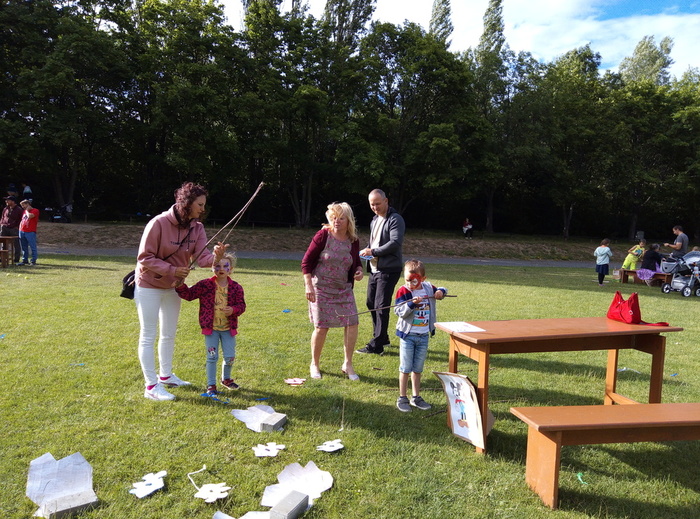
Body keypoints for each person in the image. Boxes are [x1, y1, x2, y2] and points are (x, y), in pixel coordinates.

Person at [134, 181, 226, 401]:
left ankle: (165, 376)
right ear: (187, 203)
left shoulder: (197, 227)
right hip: (148, 285)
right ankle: (151, 387)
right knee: (148, 335)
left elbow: (202, 259)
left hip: (174, 287)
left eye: (204, 205)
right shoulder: (158, 223)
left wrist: (217, 257)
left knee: (169, 333)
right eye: (199, 204)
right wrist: (173, 270)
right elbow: (144, 257)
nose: (203, 209)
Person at [302, 202, 364, 380]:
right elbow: (306, 262)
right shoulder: (323, 235)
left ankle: (348, 364)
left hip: (344, 290)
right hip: (321, 289)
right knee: (322, 327)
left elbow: (356, 262)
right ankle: (314, 364)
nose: (336, 221)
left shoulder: (353, 240)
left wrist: (359, 271)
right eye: (334, 217)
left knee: (352, 324)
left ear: (348, 220)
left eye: (341, 218)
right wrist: (308, 285)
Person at [176, 252, 246, 395]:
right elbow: (189, 295)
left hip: (228, 330)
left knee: (230, 357)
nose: (221, 269)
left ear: (231, 269)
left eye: (225, 266)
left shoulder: (236, 287)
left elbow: (242, 306)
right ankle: (211, 385)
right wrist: (180, 285)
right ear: (212, 267)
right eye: (217, 266)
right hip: (211, 330)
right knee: (212, 357)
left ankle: (226, 379)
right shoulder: (205, 285)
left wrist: (233, 310)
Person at [393, 259, 447, 412]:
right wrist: (411, 304)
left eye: (414, 281)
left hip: (423, 336)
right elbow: (398, 311)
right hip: (408, 336)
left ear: (423, 279)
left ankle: (416, 397)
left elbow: (442, 289)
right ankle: (402, 397)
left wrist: (440, 292)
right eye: (407, 280)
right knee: (405, 368)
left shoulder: (428, 288)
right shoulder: (403, 291)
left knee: (417, 368)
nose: (410, 284)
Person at [358, 189, 405, 355]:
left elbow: (395, 243)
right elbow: (375, 242)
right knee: (371, 303)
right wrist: (366, 250)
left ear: (386, 201)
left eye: (378, 203)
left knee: (381, 306)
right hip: (374, 269)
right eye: (372, 204)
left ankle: (376, 345)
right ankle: (382, 337)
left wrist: (373, 252)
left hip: (389, 269)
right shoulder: (374, 220)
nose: (375, 207)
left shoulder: (395, 219)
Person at [1, 195, 22, 263]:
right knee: (3, 242)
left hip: (13, 228)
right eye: (6, 200)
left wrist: (16, 226)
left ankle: (16, 259)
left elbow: (21, 219)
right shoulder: (5, 208)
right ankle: (3, 258)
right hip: (5, 227)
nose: (6, 201)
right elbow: (3, 217)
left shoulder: (18, 209)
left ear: (13, 201)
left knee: (16, 243)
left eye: (8, 200)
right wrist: (2, 223)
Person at [18, 199, 39, 265]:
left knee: (32, 246)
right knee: (24, 247)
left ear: (28, 204)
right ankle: (25, 260)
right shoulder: (24, 211)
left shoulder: (35, 210)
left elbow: (30, 216)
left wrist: (27, 210)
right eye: (22, 205)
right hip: (22, 231)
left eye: (23, 205)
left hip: (30, 231)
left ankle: (33, 260)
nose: (22, 207)